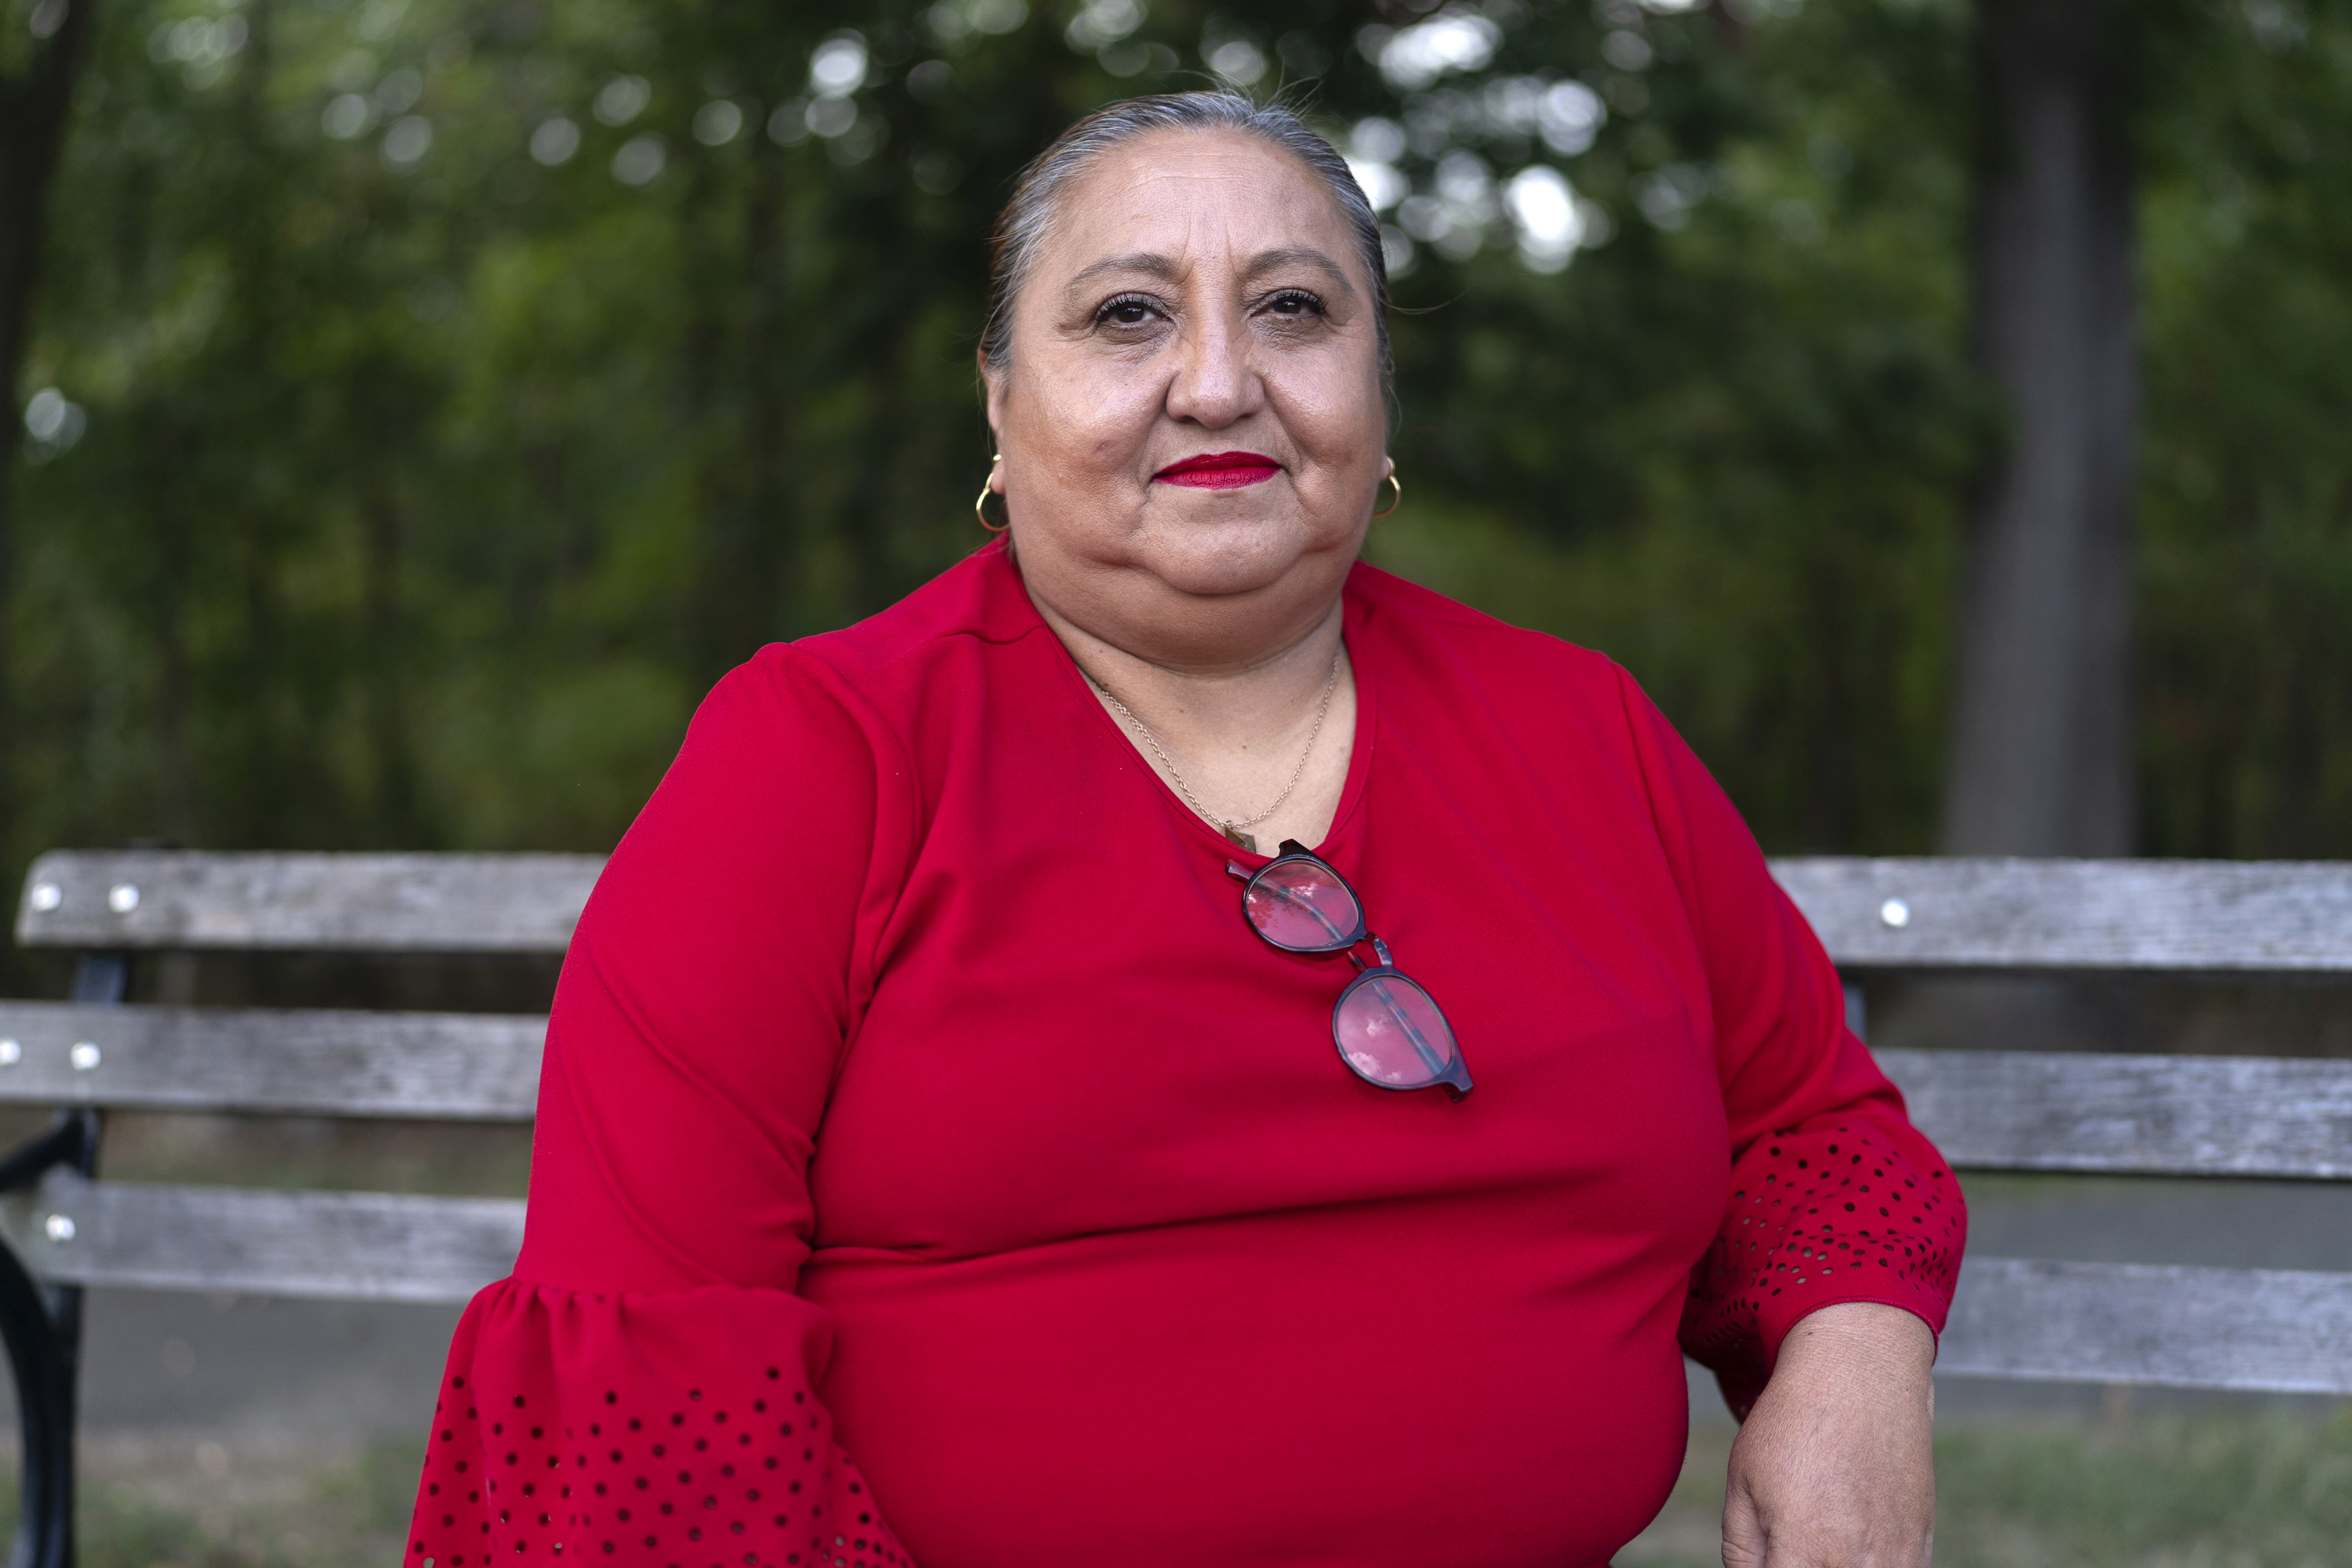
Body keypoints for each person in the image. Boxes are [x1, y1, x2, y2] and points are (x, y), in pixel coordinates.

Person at [407, 91, 1964, 1568]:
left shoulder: (1583, 732)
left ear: (1378, 397)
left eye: (1294, 309)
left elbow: (1811, 1132)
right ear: (1003, 405)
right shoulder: (818, 760)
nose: (1219, 381)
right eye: (1128, 315)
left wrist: (1855, 1351)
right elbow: (653, 1390)